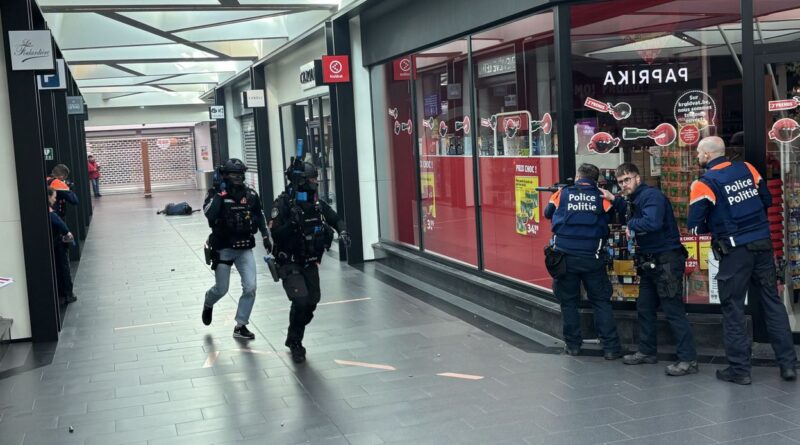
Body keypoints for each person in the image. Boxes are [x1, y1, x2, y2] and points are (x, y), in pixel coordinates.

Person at [689, 136, 797, 384]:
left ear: (707, 155)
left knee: (733, 308)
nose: (696, 157)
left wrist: (716, 224)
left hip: (735, 251)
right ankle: (788, 365)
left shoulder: (703, 184)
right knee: (772, 302)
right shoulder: (747, 168)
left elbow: (695, 229)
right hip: (763, 244)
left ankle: (740, 370)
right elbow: (766, 201)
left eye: (698, 153)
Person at [611, 163, 698, 376]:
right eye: (620, 182)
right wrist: (614, 200)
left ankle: (688, 359)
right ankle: (647, 351)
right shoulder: (633, 199)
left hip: (666, 259)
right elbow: (631, 212)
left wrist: (631, 226)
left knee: (673, 309)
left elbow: (652, 222)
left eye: (627, 180)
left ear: (638, 178)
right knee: (645, 307)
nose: (624, 185)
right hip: (649, 261)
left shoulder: (652, 196)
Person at [269, 159, 350, 363]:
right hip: (289, 261)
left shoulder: (316, 204)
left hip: (310, 260)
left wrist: (343, 232)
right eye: (312, 178)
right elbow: (276, 234)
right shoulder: (284, 204)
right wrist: (291, 223)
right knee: (301, 300)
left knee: (312, 302)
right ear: (302, 180)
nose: (316, 182)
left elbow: (335, 218)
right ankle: (296, 342)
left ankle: (294, 331)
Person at [543, 163, 625, 360]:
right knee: (601, 302)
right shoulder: (601, 196)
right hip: (592, 258)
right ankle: (611, 347)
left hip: (565, 259)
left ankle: (573, 346)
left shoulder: (562, 193)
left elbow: (547, 213)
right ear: (596, 180)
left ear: (578, 176)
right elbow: (616, 216)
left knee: (568, 302)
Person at [201, 158, 272, 340]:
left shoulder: (251, 195)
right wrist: (220, 193)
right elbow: (210, 213)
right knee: (221, 289)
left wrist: (265, 236)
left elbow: (259, 215)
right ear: (225, 176)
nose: (238, 178)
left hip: (245, 248)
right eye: (234, 175)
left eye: (241, 175)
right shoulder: (215, 194)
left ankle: (241, 325)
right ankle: (208, 303)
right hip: (223, 248)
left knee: (250, 287)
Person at [47, 164, 79, 303]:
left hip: (46, 226)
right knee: (62, 262)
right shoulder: (57, 183)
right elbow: (74, 200)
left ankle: (57, 292)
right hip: (56, 226)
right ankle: (67, 293)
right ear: (62, 177)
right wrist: (68, 187)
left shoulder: (46, 179)